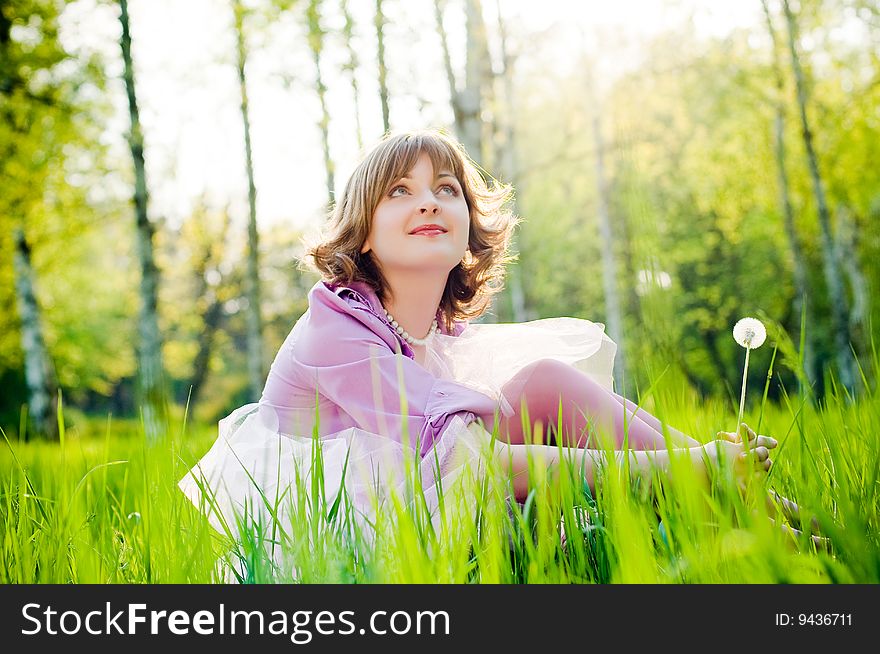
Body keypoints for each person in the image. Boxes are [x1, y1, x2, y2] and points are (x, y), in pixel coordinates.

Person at [179, 129, 825, 566]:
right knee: (507, 472)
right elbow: (476, 465)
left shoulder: (431, 329)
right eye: (399, 191)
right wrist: (681, 466)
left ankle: (766, 512)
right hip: (341, 542)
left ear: (467, 227)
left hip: (417, 485)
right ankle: (709, 481)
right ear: (364, 233)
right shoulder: (335, 329)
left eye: (446, 189)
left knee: (544, 380)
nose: (428, 201)